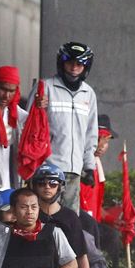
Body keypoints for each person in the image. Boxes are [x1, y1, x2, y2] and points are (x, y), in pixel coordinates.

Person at [29, 41, 99, 209]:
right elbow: (28, 126)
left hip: (73, 171)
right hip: (47, 168)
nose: (74, 68)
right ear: (62, 63)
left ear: (86, 67)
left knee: (69, 222)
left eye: (79, 64)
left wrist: (89, 166)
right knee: (43, 217)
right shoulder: (45, 87)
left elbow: (90, 134)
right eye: (70, 63)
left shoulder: (88, 94)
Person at [0, 65, 28, 217]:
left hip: (8, 183)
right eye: (3, 89)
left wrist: (40, 107)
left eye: (12, 91)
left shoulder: (15, 113)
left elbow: (35, 123)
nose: (6, 96)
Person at [80, 114, 117, 220]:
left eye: (106, 141)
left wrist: (113, 220)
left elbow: (96, 204)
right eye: (98, 139)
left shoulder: (97, 166)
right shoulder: (82, 168)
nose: (101, 146)